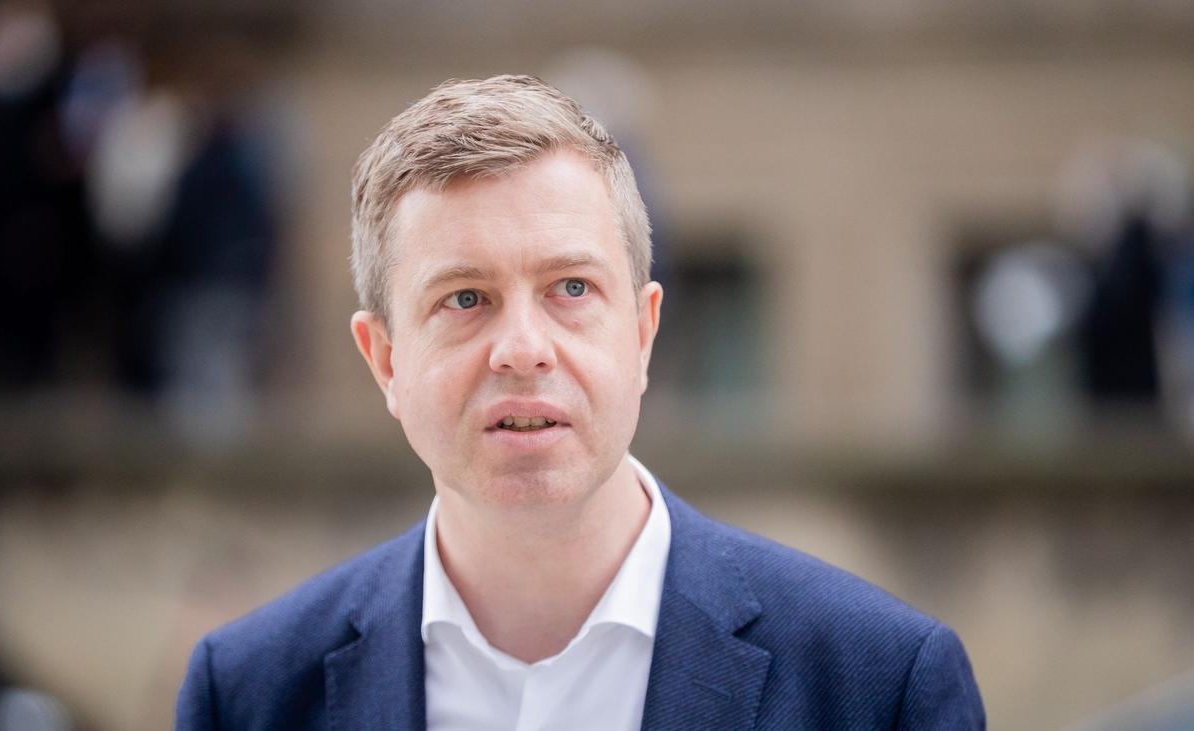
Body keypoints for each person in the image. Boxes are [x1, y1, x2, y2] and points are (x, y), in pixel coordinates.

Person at [175, 75, 984, 730]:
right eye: (465, 298)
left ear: (643, 331)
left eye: (570, 287)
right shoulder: (246, 694)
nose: (523, 347)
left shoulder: (879, 685)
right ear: (385, 359)